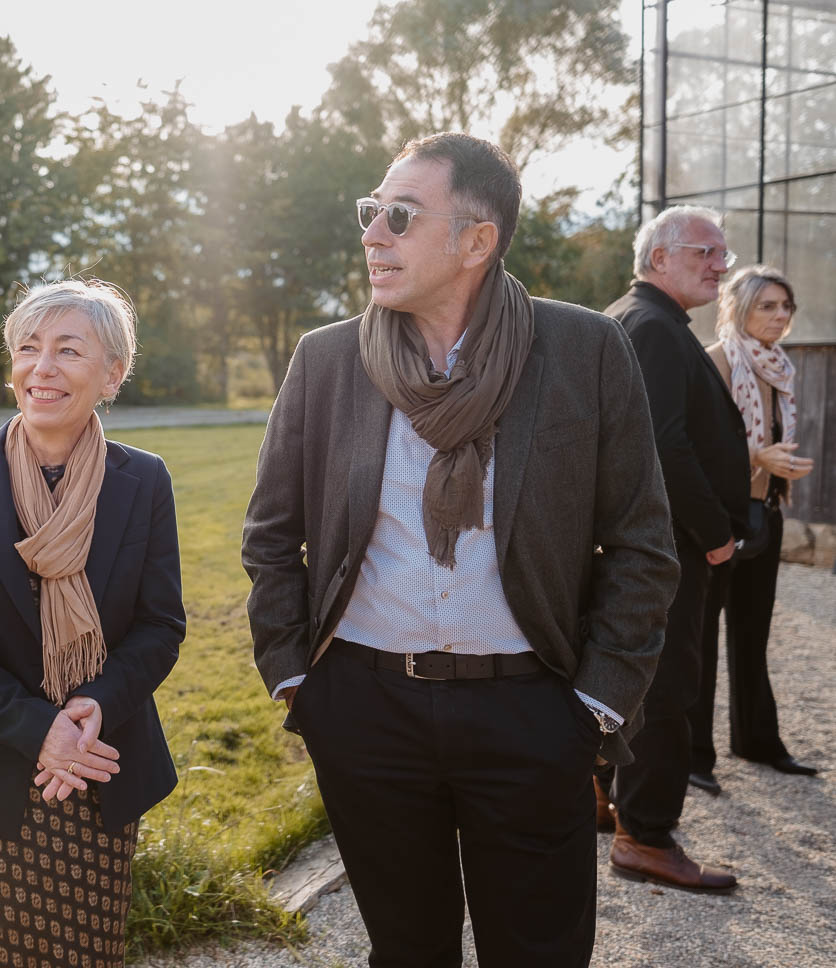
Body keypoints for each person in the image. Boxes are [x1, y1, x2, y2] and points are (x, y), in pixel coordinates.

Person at [243, 132, 677, 967]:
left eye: (398, 216)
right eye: (371, 213)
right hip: (365, 711)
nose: (373, 234)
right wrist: (299, 681)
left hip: (532, 710)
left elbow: (641, 543)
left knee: (539, 953)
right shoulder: (328, 359)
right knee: (407, 952)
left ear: (476, 241)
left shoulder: (584, 350)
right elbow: (271, 534)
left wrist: (595, 704)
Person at [0, 280, 184, 968]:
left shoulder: (143, 480)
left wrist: (95, 706)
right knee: (6, 954)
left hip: (98, 761)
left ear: (112, 374)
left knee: (92, 954)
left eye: (68, 350)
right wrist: (38, 731)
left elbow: (160, 626)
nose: (42, 368)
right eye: (28, 348)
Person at [602, 205, 749, 892]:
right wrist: (716, 533)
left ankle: (607, 802)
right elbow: (665, 443)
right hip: (667, 548)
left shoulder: (642, 319)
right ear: (659, 258)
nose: (722, 264)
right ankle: (646, 838)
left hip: (638, 542)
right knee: (666, 689)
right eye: (706, 252)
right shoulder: (656, 329)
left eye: (724, 253)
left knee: (628, 676)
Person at [691, 265, 816, 780]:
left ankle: (758, 742)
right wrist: (758, 459)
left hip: (765, 513)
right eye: (767, 305)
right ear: (738, 308)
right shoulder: (716, 362)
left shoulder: (779, 366)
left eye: (786, 306)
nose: (780, 316)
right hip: (719, 518)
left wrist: (775, 469)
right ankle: (695, 757)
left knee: (753, 634)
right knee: (700, 639)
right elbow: (697, 448)